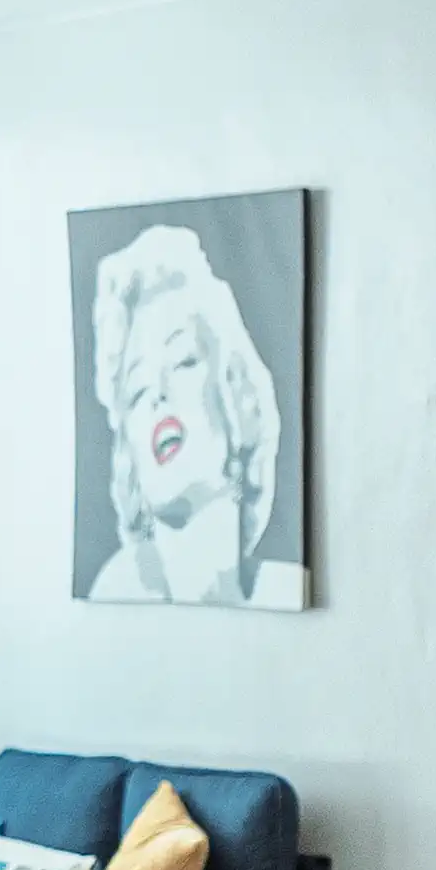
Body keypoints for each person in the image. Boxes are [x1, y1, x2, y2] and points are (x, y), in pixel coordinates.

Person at [86, 222, 290, 604]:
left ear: (236, 396)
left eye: (183, 362)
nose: (157, 395)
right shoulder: (118, 592)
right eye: (137, 389)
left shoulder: (285, 589)